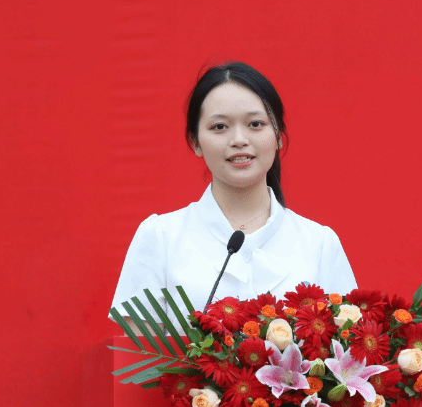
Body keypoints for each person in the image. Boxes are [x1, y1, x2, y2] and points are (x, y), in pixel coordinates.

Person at [110, 61, 357, 330]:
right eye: (220, 127)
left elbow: (347, 343)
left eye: (255, 124)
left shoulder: (319, 244)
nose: (239, 139)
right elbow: (137, 351)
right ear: (195, 142)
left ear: (278, 136)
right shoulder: (160, 238)